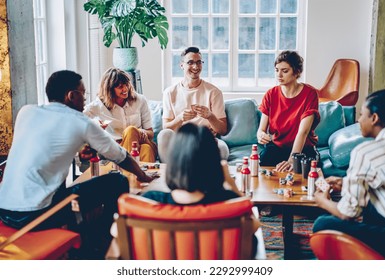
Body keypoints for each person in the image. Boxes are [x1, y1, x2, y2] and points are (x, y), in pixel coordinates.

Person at [0, 70, 157, 258]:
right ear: (71, 96)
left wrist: (79, 150)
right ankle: (105, 242)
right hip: (37, 215)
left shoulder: (26, 112)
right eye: (83, 93)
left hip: (4, 210)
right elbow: (120, 156)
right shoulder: (80, 121)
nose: (84, 99)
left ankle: (87, 238)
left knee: (68, 192)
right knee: (117, 181)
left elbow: (46, 147)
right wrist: (143, 175)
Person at [144, 123, 260, 258]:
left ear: (173, 161)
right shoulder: (228, 202)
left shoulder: (149, 202)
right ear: (214, 162)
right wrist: (230, 182)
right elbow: (254, 226)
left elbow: (118, 237)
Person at [313, 89, 385, 259]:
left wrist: (323, 202)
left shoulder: (366, 152)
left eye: (362, 115)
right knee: (371, 199)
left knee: (322, 223)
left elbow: (348, 214)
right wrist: (346, 182)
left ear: (374, 118)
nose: (359, 120)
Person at [157, 46, 229, 162]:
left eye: (198, 62)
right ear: (182, 65)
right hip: (179, 141)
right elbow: (166, 127)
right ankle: (172, 175)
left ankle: (203, 177)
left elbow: (223, 130)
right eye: (190, 62)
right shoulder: (170, 93)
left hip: (205, 140)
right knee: (163, 135)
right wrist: (180, 118)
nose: (195, 67)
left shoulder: (214, 92)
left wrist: (210, 116)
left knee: (223, 150)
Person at [257, 50, 320, 172]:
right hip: (277, 146)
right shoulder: (271, 94)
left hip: (303, 148)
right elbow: (261, 129)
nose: (279, 75)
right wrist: (261, 135)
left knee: (303, 169)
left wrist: (293, 159)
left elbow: (303, 131)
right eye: (276, 70)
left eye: (285, 71)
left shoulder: (310, 94)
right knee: (264, 162)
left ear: (297, 72)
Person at [84, 67, 157, 162]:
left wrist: (140, 132)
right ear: (109, 89)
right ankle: (140, 175)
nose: (125, 89)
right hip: (117, 148)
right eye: (120, 87)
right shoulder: (100, 105)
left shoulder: (140, 100)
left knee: (131, 130)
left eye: (127, 84)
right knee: (146, 150)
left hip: (142, 141)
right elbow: (79, 118)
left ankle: (125, 172)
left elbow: (150, 133)